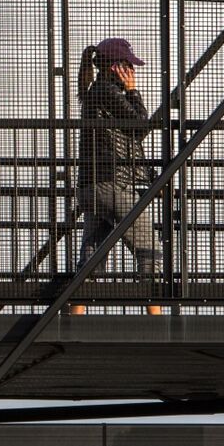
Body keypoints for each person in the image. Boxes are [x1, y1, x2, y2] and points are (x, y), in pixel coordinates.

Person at [72, 36, 162, 315]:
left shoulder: (94, 93)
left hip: (91, 187)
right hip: (114, 183)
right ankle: (156, 316)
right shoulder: (107, 91)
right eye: (129, 66)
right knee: (150, 249)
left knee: (92, 251)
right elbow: (140, 125)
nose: (133, 72)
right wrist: (133, 91)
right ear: (116, 68)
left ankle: (75, 314)